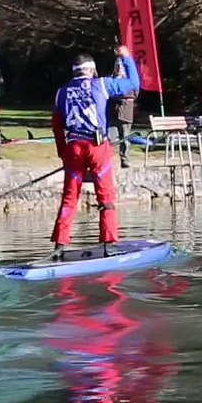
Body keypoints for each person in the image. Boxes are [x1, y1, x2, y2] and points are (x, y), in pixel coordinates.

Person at [50, 46, 140, 259]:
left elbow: (56, 127)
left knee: (70, 197)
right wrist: (126, 58)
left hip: (73, 147)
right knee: (105, 196)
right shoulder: (102, 84)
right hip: (98, 147)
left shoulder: (61, 92)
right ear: (92, 70)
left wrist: (63, 154)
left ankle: (59, 246)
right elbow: (134, 85)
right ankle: (108, 244)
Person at [106, 55, 137, 167]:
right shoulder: (110, 80)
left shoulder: (130, 82)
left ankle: (125, 160)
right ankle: (107, 161)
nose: (119, 69)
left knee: (125, 138)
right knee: (110, 138)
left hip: (125, 113)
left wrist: (119, 95)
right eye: (117, 66)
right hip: (112, 113)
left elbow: (134, 94)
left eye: (121, 66)